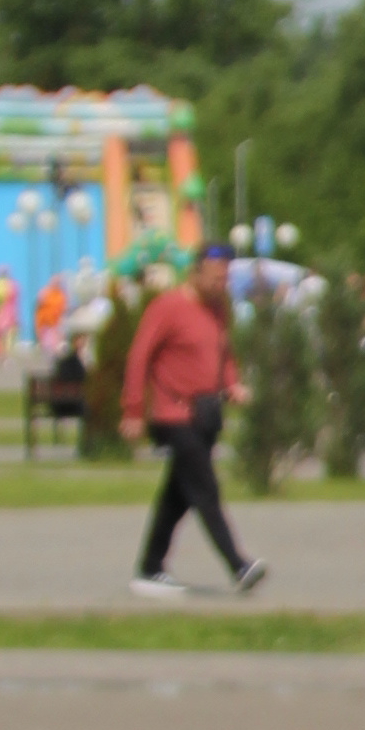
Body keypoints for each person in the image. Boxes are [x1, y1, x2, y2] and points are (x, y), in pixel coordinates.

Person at [121, 245, 267, 600]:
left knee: (178, 495)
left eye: (225, 278)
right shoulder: (167, 307)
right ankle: (238, 565)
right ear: (195, 273)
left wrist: (232, 384)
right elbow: (139, 356)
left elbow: (223, 352)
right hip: (173, 413)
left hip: (206, 413)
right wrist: (133, 410)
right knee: (204, 488)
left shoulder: (217, 309)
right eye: (215, 277)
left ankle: (150, 568)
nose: (221, 284)